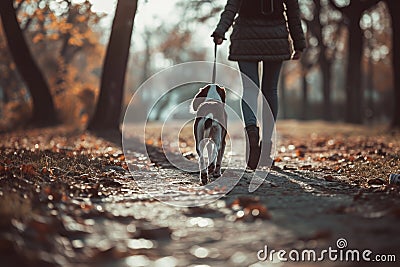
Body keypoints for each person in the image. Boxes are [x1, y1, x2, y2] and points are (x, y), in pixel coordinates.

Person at [212, 0, 306, 170]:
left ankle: (251, 133)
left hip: (245, 37)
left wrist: (221, 30)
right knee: (270, 90)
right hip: (275, 37)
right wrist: (299, 43)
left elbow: (231, 7)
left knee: (249, 89)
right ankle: (266, 146)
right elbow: (293, 12)